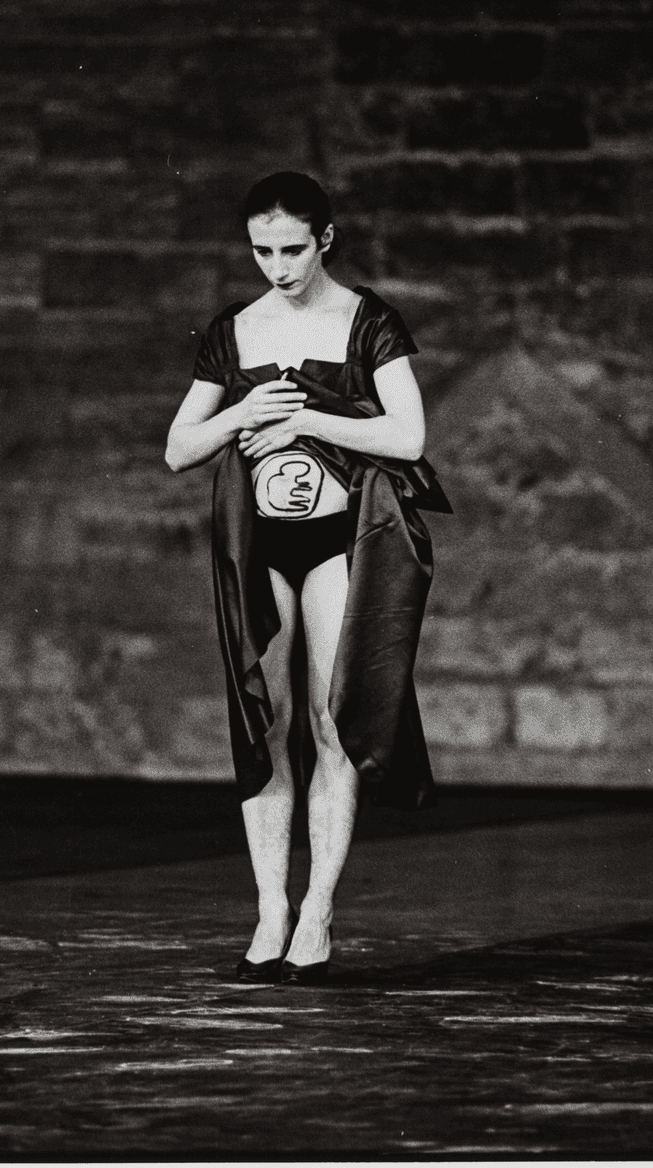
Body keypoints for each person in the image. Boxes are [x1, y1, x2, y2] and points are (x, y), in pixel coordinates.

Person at [165, 172, 450, 984]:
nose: (278, 267)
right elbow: (180, 449)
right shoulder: (237, 327)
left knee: (331, 717)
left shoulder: (366, 322)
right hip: (261, 542)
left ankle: (318, 909)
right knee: (267, 718)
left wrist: (305, 417)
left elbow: (408, 436)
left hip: (337, 538)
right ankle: (269, 909)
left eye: (293, 249)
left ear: (325, 239)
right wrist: (240, 415)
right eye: (262, 250)